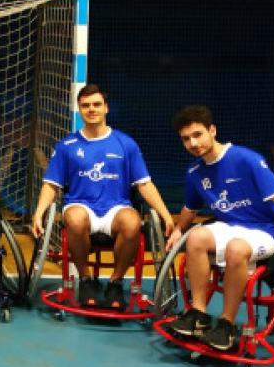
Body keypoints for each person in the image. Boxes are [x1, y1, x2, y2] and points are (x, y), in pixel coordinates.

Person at [165, 105, 274, 351]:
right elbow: (191, 208)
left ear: (212, 130)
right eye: (186, 139)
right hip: (229, 225)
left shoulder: (245, 158)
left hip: (265, 229)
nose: (193, 143)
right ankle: (198, 315)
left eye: (198, 135)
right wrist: (179, 229)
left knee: (235, 249)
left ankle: (227, 324)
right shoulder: (195, 172)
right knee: (196, 237)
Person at [30, 84, 174, 310]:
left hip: (116, 208)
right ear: (79, 109)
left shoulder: (125, 143)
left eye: (96, 104)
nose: (91, 109)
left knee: (132, 221)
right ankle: (87, 280)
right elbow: (51, 184)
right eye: (85, 105)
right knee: (75, 219)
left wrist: (166, 216)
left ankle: (116, 282)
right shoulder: (67, 145)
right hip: (80, 204)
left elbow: (144, 184)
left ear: (106, 108)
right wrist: (39, 214)